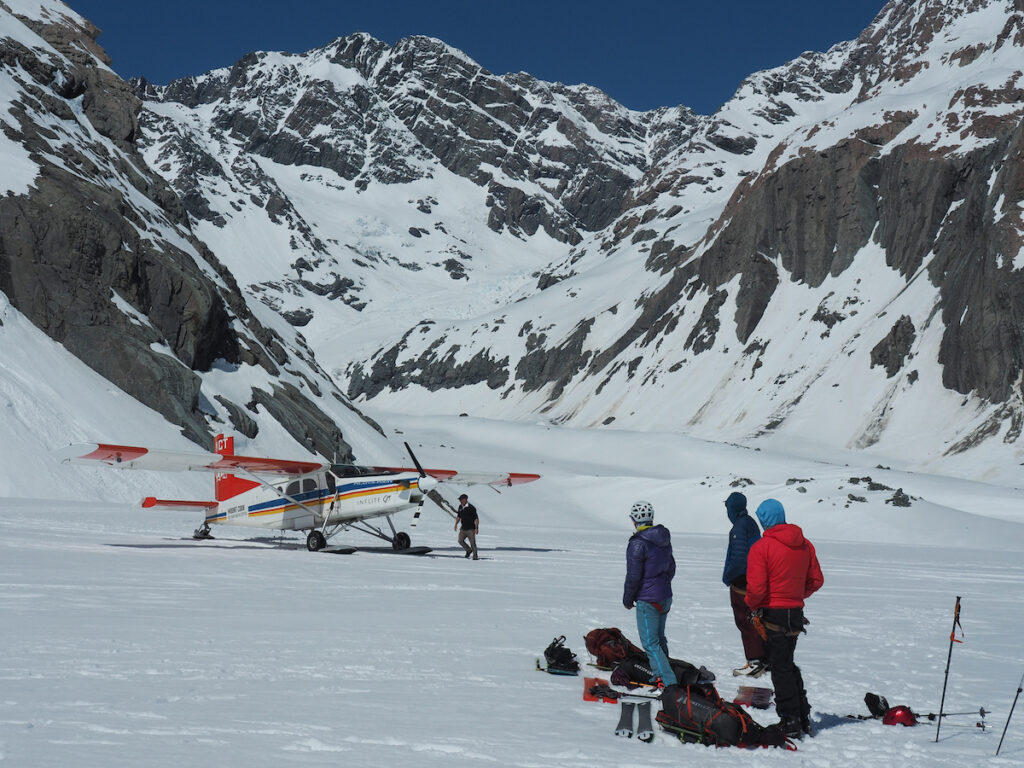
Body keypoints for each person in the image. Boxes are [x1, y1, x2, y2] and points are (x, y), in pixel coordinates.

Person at [745, 499, 824, 740]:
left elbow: (757, 589)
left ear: (764, 520)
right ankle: (801, 715)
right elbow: (816, 580)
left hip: (773, 613)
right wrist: (796, 595)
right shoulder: (804, 544)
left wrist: (752, 603)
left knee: (780, 667)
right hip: (794, 613)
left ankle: (790, 720)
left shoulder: (762, 547)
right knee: (786, 663)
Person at [622, 500, 677, 688]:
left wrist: (628, 599)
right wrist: (662, 586)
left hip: (648, 599)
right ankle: (667, 673)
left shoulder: (638, 543)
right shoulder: (663, 538)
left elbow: (633, 576)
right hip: (664, 596)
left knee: (651, 643)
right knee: (659, 639)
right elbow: (671, 567)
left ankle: (667, 682)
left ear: (634, 520)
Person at [722, 491, 767, 677]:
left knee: (745, 620)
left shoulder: (739, 527)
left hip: (742, 582)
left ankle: (755, 662)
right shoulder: (749, 522)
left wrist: (728, 576)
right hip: (752, 579)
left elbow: (740, 558)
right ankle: (763, 659)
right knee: (754, 620)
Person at [454, 493, 479, 560]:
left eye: (461, 499)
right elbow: (458, 516)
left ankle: (475, 556)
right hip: (463, 529)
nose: (460, 501)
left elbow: (476, 519)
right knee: (460, 541)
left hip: (471, 529)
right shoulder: (460, 507)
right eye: (459, 500)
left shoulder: (471, 508)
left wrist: (476, 528)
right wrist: (456, 524)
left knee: (473, 543)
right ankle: (468, 550)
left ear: (465, 500)